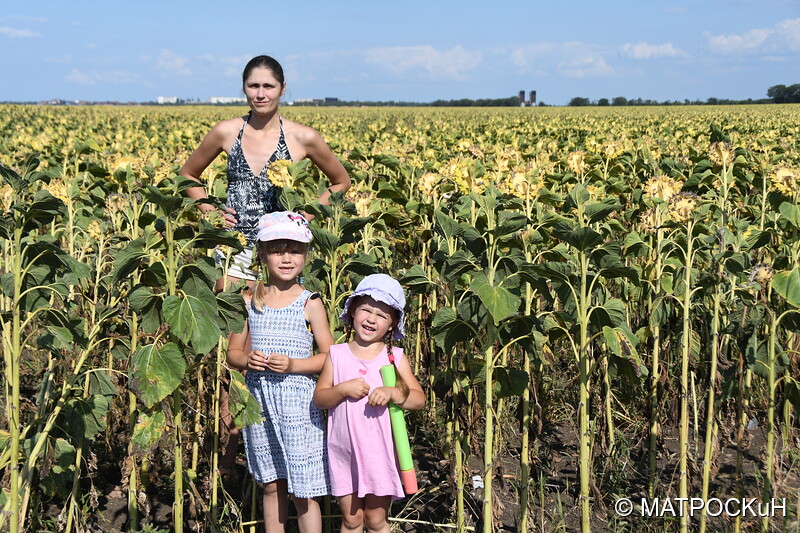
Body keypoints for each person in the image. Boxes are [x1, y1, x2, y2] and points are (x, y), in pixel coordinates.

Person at [181, 54, 351, 287]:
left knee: (278, 321)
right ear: (244, 88)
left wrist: (303, 218)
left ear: (282, 89)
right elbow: (188, 174)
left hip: (284, 252)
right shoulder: (227, 131)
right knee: (234, 318)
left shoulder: (302, 137)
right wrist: (211, 212)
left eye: (268, 86)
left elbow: (341, 181)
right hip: (234, 248)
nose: (260, 94)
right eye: (253, 86)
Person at [227, 212, 334, 533]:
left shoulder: (310, 302)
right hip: (259, 404)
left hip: (299, 406)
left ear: (306, 255)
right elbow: (233, 354)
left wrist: (294, 365)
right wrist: (249, 361)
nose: (286, 258)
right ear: (261, 254)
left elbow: (330, 356)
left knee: (304, 489)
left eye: (295, 250)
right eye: (277, 250)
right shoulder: (248, 300)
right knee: (271, 483)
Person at [313, 274, 424, 533]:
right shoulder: (336, 354)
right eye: (366, 310)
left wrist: (395, 393)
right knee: (351, 521)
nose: (372, 319)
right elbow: (320, 399)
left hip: (380, 453)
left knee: (375, 520)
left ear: (392, 323)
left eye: (382, 315)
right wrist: (341, 389)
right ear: (352, 311)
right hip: (344, 453)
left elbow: (418, 399)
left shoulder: (394, 358)